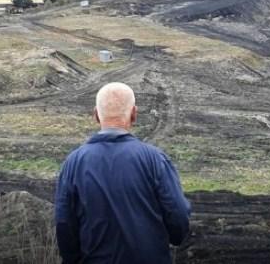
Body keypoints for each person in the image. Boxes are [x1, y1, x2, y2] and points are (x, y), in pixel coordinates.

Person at [55, 82, 191, 264]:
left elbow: (64, 224)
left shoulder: (73, 163)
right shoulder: (156, 160)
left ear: (96, 114)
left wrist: (72, 259)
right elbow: (179, 217)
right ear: (134, 113)